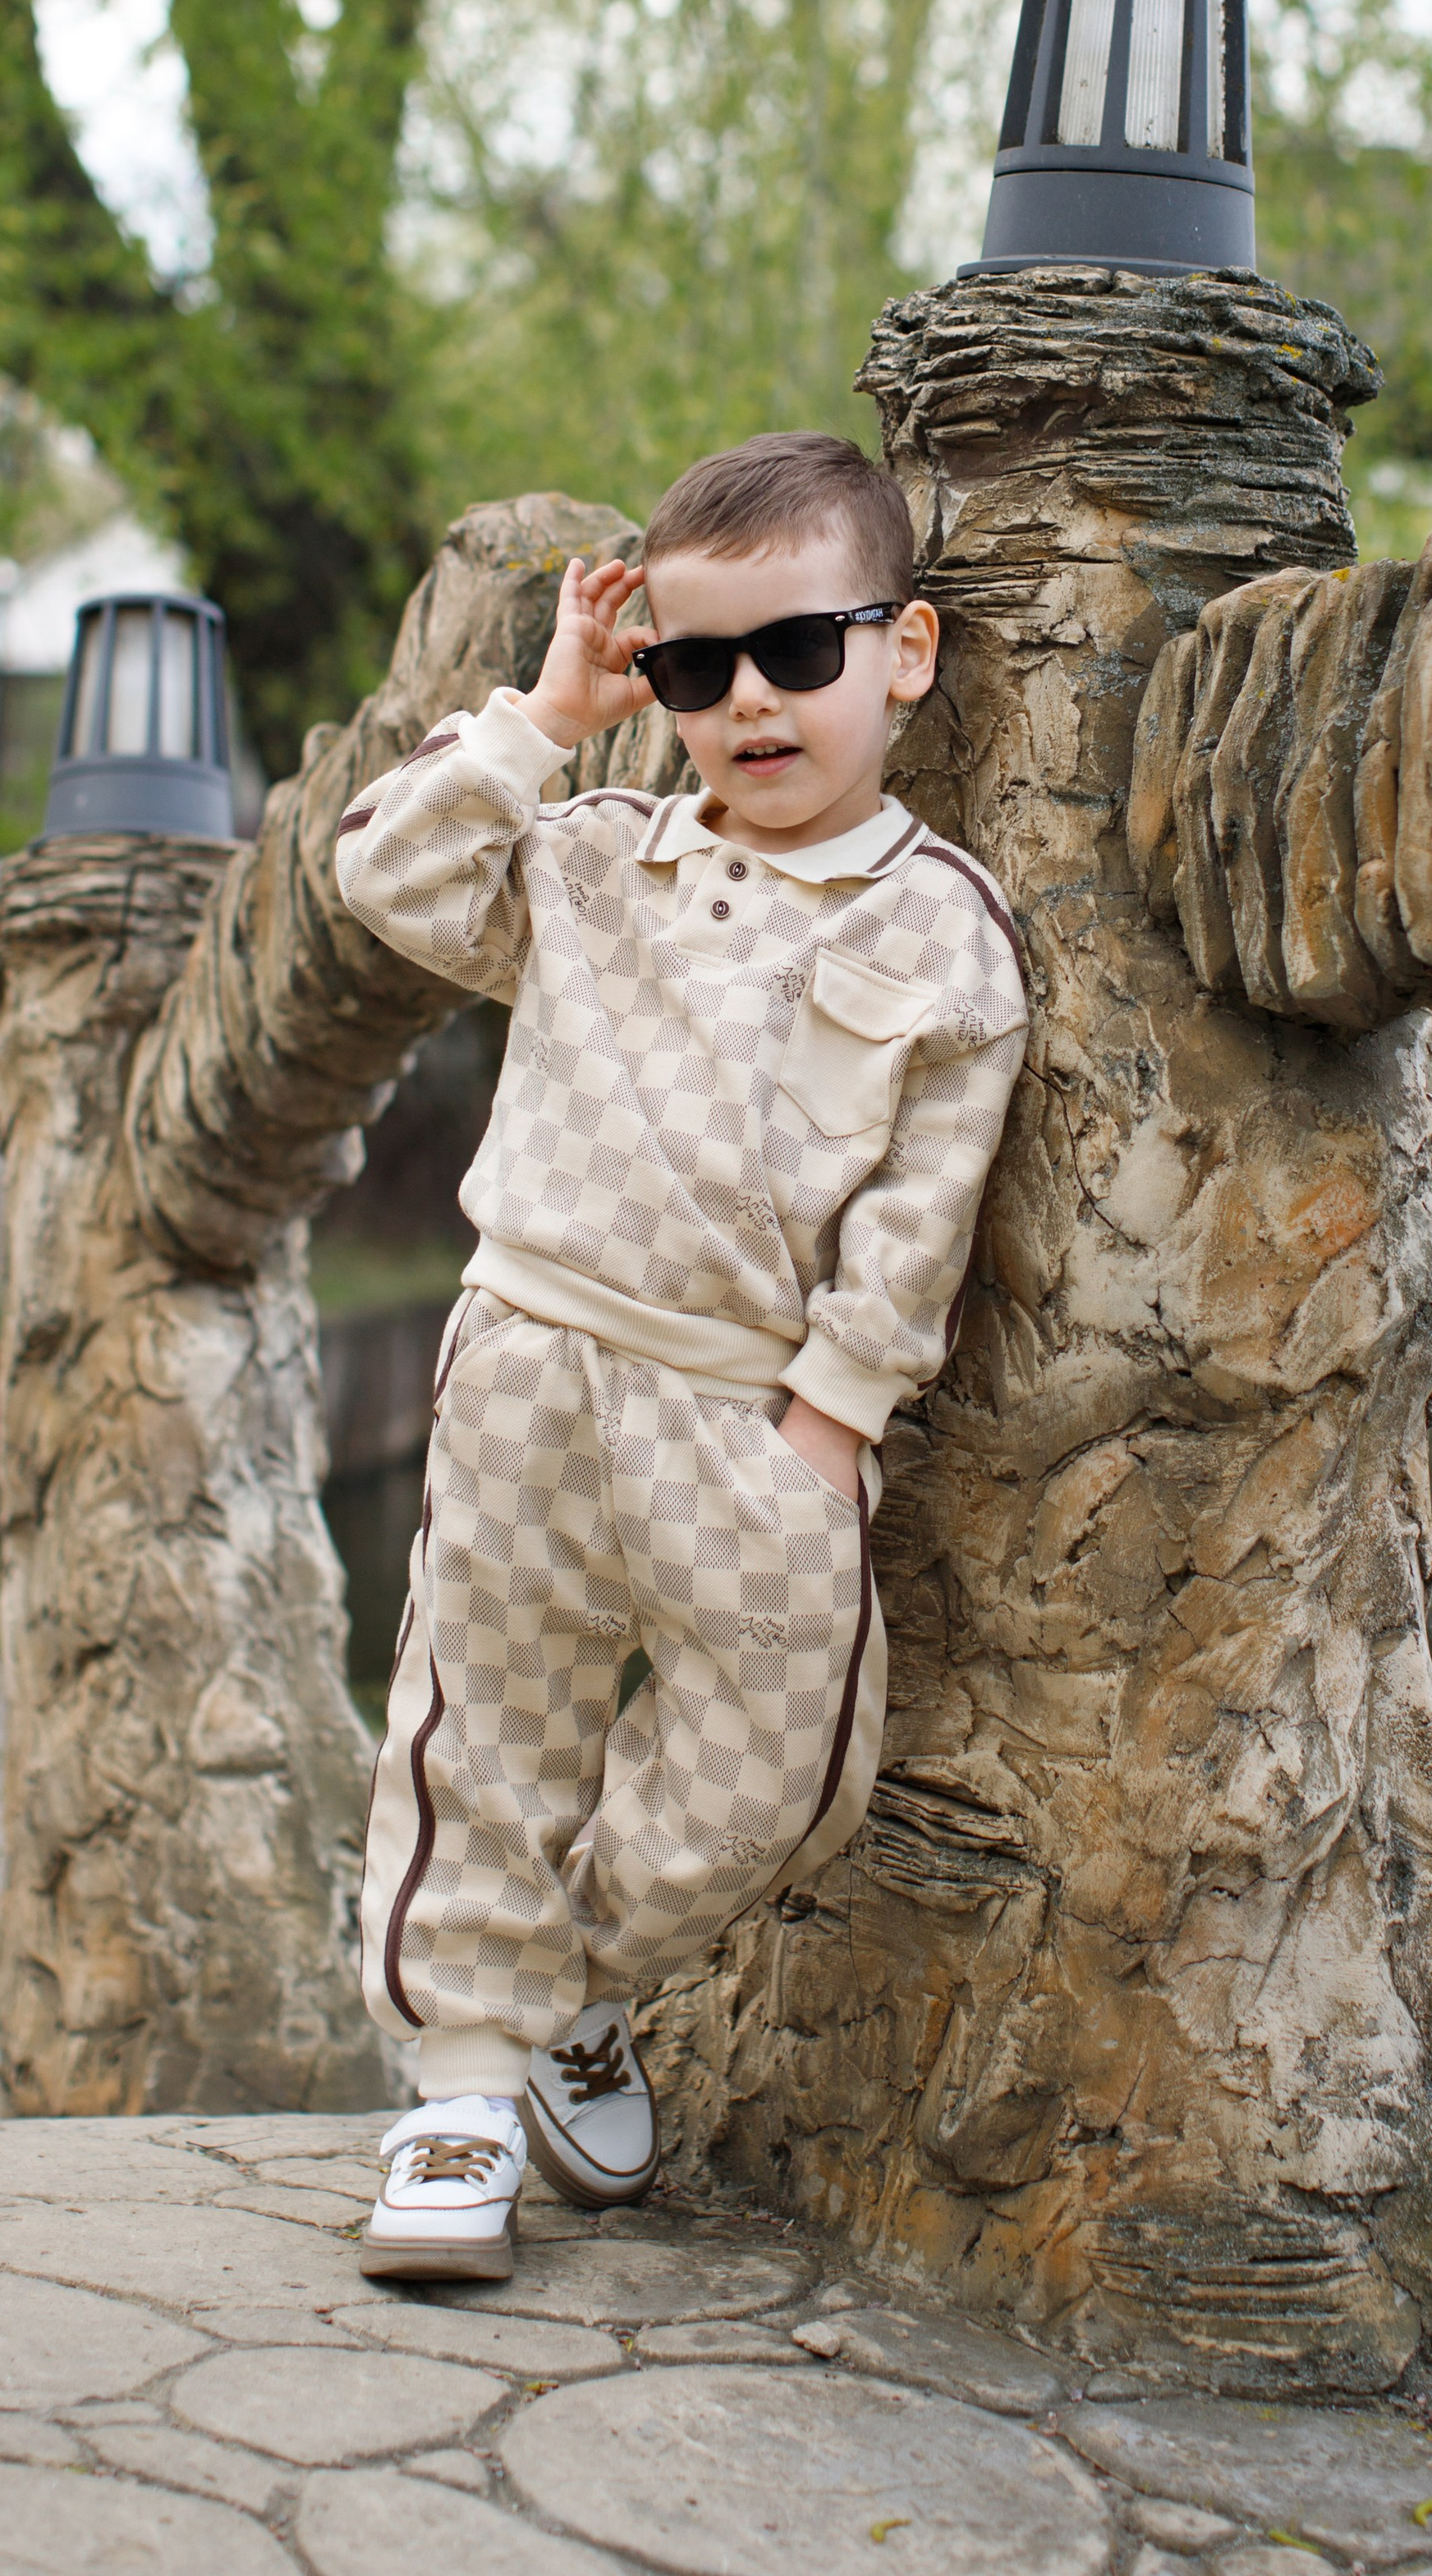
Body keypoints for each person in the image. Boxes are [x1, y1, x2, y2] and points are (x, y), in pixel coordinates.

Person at [335, 430, 1027, 2280]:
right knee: (481, 1722)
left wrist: (833, 1415)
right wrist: (548, 714)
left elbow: (922, 1201)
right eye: (690, 666)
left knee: (790, 1761)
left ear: (905, 650)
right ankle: (461, 2089)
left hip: (745, 1411)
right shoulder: (587, 861)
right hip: (535, 1362)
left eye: (794, 652)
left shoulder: (939, 927)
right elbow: (386, 879)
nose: (743, 703)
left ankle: (565, 1984)